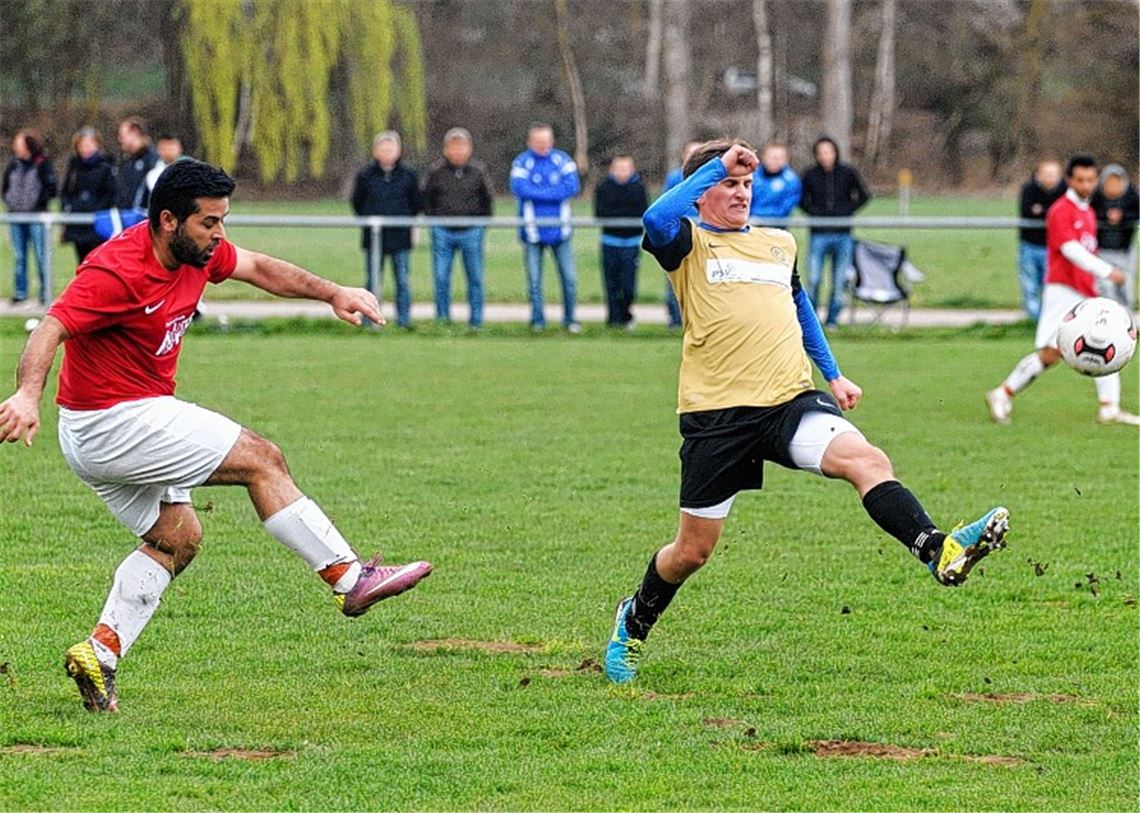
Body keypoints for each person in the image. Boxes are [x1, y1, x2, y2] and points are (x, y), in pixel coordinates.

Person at [0, 159, 433, 712]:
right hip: (114, 420)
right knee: (262, 458)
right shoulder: (115, 271)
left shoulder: (199, 252)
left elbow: (259, 267)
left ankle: (100, 652)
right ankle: (350, 577)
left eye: (223, 221)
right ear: (167, 221)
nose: (219, 235)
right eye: (209, 223)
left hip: (100, 432)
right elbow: (53, 327)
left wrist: (332, 293)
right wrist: (26, 395)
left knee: (178, 538)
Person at [603, 140, 1009, 685]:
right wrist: (717, 166)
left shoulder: (778, 243)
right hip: (717, 417)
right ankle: (633, 622)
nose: (742, 192)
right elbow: (654, 215)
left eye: (746, 184)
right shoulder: (685, 242)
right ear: (699, 194)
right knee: (692, 552)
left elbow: (800, 308)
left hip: (788, 402)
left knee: (866, 459)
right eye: (729, 184)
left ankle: (938, 547)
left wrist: (834, 373)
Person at [986, 154, 1138, 427]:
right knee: (1050, 353)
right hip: (1063, 290)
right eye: (1080, 179)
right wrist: (1107, 271)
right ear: (1070, 180)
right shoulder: (1060, 210)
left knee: (1105, 337)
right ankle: (1002, 393)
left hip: (1083, 290)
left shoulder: (1088, 212)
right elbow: (1070, 250)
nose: (1086, 184)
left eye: (1091, 179)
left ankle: (1109, 408)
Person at [510, 123, 580, 332]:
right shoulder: (522, 162)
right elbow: (520, 188)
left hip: (562, 231)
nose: (543, 146)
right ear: (530, 142)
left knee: (569, 279)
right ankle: (538, 321)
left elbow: (572, 187)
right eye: (538, 142)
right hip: (532, 231)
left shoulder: (563, 160)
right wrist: (552, 193)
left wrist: (539, 192)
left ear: (552, 141)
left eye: (546, 141)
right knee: (534, 281)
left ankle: (570, 321)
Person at [351, 131, 423, 329]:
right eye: (383, 149)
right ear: (375, 151)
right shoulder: (365, 176)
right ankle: (370, 321)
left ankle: (404, 321)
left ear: (398, 151)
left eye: (391, 148)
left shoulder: (409, 176)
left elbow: (416, 203)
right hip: (374, 237)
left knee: (402, 281)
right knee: (372, 281)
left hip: (400, 238)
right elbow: (357, 202)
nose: (387, 152)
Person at [422, 127, 493, 328]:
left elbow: (487, 201)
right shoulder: (435, 173)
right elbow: (427, 200)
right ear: (445, 150)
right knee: (441, 278)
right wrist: (435, 222)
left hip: (471, 232)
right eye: (453, 148)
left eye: (462, 147)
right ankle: (443, 321)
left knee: (476, 280)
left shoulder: (479, 172)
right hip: (443, 232)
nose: (458, 152)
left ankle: (476, 323)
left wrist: (481, 227)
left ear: (469, 149)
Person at [798, 136, 870, 327]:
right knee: (814, 279)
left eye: (828, 152)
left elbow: (863, 195)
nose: (825, 156)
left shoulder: (847, 173)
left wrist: (846, 211)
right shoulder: (810, 175)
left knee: (839, 282)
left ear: (835, 152)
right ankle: (810, 322)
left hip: (843, 234)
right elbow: (801, 198)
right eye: (821, 152)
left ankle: (832, 320)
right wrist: (814, 212)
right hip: (818, 234)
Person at [3, 128, 58, 306]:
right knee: (19, 256)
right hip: (16, 217)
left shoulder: (43, 164)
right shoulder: (13, 165)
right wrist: (10, 201)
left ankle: (45, 293)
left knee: (41, 256)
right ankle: (21, 292)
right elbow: (5, 187)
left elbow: (51, 188)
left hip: (37, 216)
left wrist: (39, 203)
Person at [593, 153, 648, 329]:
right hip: (609, 241)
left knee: (628, 285)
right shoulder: (603, 187)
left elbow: (641, 211)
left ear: (632, 169)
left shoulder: (639, 188)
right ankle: (613, 320)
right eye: (618, 168)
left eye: (625, 168)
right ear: (612, 169)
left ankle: (626, 316)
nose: (622, 172)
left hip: (631, 243)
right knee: (611, 283)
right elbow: (601, 213)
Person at [659, 139, 703, 330]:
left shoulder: (712, 179)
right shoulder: (674, 178)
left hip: (704, 234)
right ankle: (675, 320)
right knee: (675, 278)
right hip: (680, 233)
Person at [1016, 160, 1066, 321]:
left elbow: (1060, 214)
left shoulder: (1065, 191)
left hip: (1053, 247)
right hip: (1029, 245)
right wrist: (1049, 212)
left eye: (1053, 174)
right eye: (1046, 174)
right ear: (1038, 175)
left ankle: (1049, 318)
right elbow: (1028, 211)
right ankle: (1033, 320)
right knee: (1029, 284)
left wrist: (1042, 210)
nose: (1049, 178)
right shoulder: (1029, 189)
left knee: (1051, 285)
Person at [60, 127, 117, 264]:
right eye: (82, 145)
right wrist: (70, 207)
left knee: (97, 261)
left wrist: (96, 209)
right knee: (81, 262)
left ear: (97, 145)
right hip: (77, 225)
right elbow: (66, 192)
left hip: (97, 224)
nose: (86, 149)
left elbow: (111, 194)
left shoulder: (106, 168)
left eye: (89, 145)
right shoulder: (74, 168)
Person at [1091, 163, 1138, 308]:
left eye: (1116, 183)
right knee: (1105, 287)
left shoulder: (1131, 196)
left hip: (1124, 252)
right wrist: (1106, 216)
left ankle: (1126, 320)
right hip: (1102, 251)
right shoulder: (1096, 197)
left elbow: (1136, 214)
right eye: (1109, 183)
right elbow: (1090, 214)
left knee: (1125, 288)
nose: (1113, 187)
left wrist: (1122, 216)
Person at [114, 116, 158, 211]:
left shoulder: (153, 160)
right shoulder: (126, 162)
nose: (119, 140)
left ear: (135, 132)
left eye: (122, 136)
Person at [750, 142, 801, 221]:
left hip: (778, 226)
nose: (776, 161)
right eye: (772, 157)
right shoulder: (752, 177)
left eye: (780, 157)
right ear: (764, 157)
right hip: (752, 224)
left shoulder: (791, 180)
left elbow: (787, 206)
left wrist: (761, 217)